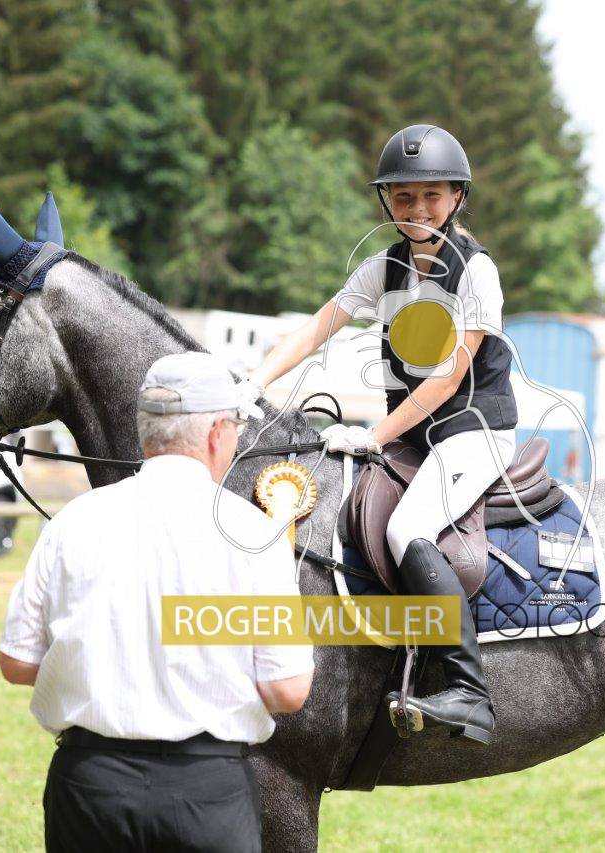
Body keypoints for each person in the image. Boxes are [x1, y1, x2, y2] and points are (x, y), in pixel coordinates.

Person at [235, 124, 514, 744]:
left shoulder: (477, 272)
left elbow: (448, 377)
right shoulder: (382, 269)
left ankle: (470, 692)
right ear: (387, 201)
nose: (418, 209)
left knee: (405, 528)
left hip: (474, 432)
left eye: (432, 195)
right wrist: (253, 382)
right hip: (412, 439)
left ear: (458, 197)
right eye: (403, 196)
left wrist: (374, 434)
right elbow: (317, 327)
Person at [0, 352, 315, 852]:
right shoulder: (254, 532)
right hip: (206, 792)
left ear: (147, 429)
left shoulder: (71, 522)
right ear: (217, 433)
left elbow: (17, 663)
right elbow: (288, 689)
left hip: (90, 786)